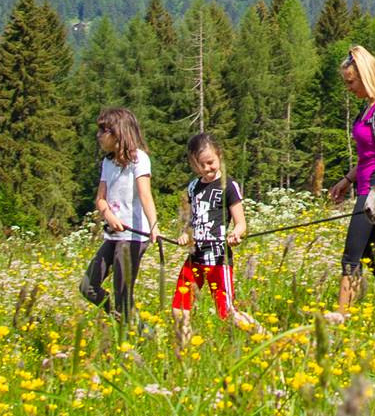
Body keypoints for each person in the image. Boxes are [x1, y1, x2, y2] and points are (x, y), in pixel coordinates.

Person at [326, 44, 375, 312]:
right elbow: (368, 155)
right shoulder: (369, 108)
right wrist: (347, 180)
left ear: (365, 75)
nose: (348, 88)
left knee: (351, 259)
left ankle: (340, 320)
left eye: (351, 82)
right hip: (364, 189)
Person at [82, 107, 160, 320]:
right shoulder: (108, 162)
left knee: (123, 295)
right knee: (88, 287)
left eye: (103, 130)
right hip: (113, 235)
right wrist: (108, 215)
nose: (98, 135)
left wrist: (154, 226)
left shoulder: (139, 159)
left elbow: (145, 195)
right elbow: (100, 199)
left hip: (133, 237)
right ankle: (125, 320)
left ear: (119, 132)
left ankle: (133, 331)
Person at [172, 132, 252, 334]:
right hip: (195, 257)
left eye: (211, 163)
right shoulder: (193, 187)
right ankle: (185, 349)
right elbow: (192, 219)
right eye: (201, 165)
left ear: (219, 157)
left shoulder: (229, 186)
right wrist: (185, 234)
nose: (207, 168)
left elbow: (241, 223)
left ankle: (262, 336)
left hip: (218, 258)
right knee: (179, 309)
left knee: (227, 313)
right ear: (193, 164)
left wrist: (235, 234)